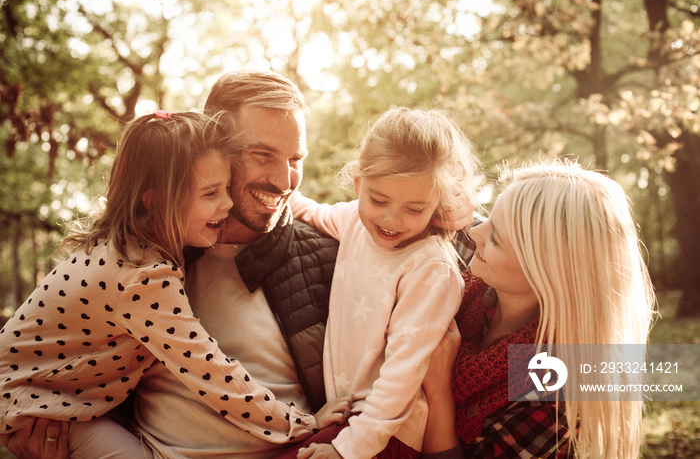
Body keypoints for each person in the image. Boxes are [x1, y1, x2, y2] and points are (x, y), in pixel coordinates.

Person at [0, 109, 348, 458]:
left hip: (50, 395)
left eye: (227, 188)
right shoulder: (141, 275)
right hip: (35, 404)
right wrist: (302, 424)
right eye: (211, 194)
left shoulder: (127, 245)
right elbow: (211, 374)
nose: (226, 204)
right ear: (155, 202)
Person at [275, 107, 481, 459]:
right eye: (378, 200)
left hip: (387, 432)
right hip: (348, 418)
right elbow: (312, 211)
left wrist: (348, 450)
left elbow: (404, 371)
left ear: (438, 205)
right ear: (358, 184)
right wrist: (277, 192)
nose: (391, 219)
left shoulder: (431, 269)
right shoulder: (355, 218)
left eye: (414, 209)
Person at [421, 160, 656, 459]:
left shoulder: (559, 393)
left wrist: (439, 392)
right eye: (488, 219)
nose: (475, 233)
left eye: (495, 238)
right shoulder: (476, 282)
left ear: (545, 272)